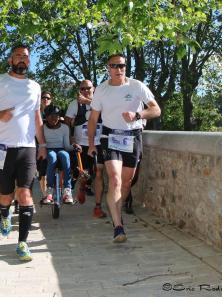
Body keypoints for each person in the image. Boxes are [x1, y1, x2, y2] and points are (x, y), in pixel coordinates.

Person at [0, 44, 47, 261]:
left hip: (27, 148)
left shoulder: (35, 86)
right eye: (18, 56)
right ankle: (5, 213)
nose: (22, 60)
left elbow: (37, 118)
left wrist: (42, 144)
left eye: (26, 57)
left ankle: (23, 243)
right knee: (6, 195)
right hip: (2, 149)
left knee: (24, 193)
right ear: (10, 60)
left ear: (30, 61)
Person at [87, 54, 161, 243]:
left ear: (125, 67)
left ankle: (117, 210)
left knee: (126, 183)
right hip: (110, 136)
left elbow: (156, 110)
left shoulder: (136, 86)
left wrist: (138, 114)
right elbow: (93, 119)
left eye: (122, 65)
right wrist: (90, 144)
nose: (118, 69)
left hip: (133, 136)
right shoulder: (101, 90)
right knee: (115, 179)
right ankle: (118, 226)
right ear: (108, 68)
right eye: (114, 66)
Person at [65, 80, 107, 219]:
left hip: (98, 143)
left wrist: (88, 102)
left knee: (98, 172)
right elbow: (66, 123)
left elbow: (108, 113)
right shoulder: (74, 104)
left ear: (93, 88)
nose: (85, 90)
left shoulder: (101, 101)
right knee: (84, 173)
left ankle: (97, 207)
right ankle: (82, 186)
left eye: (88, 88)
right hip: (81, 144)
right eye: (82, 88)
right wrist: (70, 138)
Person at [41, 104, 81, 205]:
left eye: (56, 115)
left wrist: (75, 146)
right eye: (50, 115)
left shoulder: (64, 128)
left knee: (65, 155)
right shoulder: (43, 128)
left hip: (61, 149)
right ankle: (49, 189)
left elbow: (67, 146)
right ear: (46, 116)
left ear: (59, 117)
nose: (53, 118)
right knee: (52, 156)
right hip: (48, 149)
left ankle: (67, 190)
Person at [37, 91, 53, 198]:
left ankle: (51, 194)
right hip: (38, 146)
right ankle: (44, 195)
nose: (45, 99)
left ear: (51, 100)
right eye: (43, 97)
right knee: (42, 173)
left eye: (47, 98)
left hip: (52, 145)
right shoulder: (36, 112)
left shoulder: (55, 111)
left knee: (50, 172)